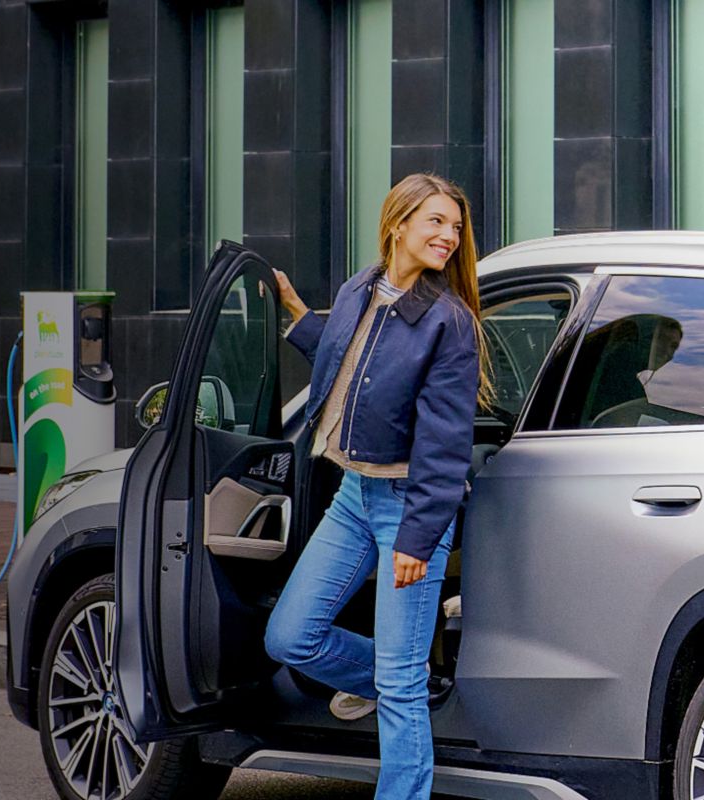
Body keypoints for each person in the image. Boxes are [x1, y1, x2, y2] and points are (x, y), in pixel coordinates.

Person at [257, 173, 488, 800]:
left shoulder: (448, 323)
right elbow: (350, 360)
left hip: (408, 508)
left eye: (456, 227)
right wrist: (301, 318)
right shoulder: (361, 289)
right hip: (352, 498)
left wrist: (418, 537)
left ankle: (403, 703)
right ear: (399, 225)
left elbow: (445, 448)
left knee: (399, 684)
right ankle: (402, 677)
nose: (449, 236)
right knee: (290, 636)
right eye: (436, 222)